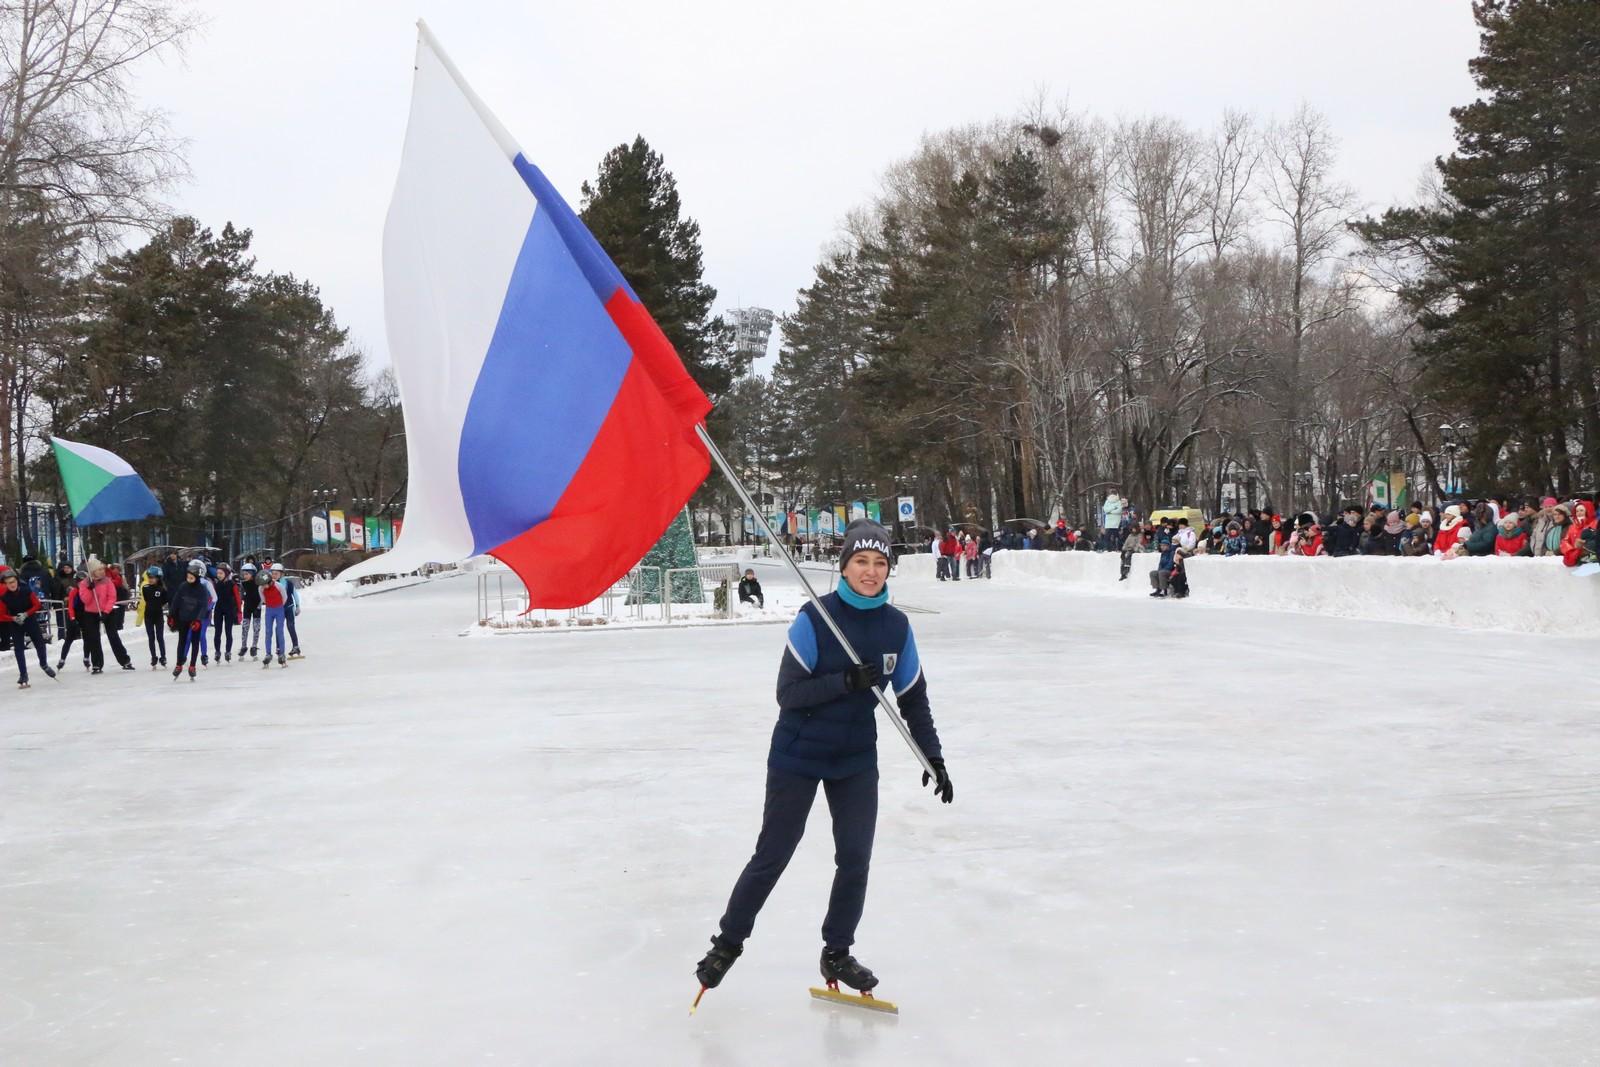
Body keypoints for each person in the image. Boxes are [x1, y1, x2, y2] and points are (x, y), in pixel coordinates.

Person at [694, 520, 950, 998]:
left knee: (855, 859)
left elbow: (913, 697)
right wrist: (845, 682)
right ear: (844, 566)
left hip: (854, 758)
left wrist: (932, 756)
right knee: (773, 855)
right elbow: (787, 694)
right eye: (861, 562)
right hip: (798, 754)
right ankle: (727, 942)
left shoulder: (896, 626)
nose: (870, 572)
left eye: (879, 563)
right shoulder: (815, 619)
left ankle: (837, 950)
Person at [75, 558, 133, 673]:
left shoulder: (107, 581)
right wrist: (90, 589)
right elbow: (85, 600)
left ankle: (125, 660)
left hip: (107, 612)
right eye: (99, 569)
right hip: (90, 613)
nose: (102, 571)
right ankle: (97, 664)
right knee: (94, 638)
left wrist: (106, 612)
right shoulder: (84, 584)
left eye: (102, 569)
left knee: (113, 636)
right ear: (92, 572)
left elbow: (112, 597)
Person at [1, 567, 56, 687]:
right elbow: (1, 615)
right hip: (16, 624)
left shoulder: (26, 590)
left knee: (40, 643)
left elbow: (37, 605)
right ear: (5, 585)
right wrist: (13, 618)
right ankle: (23, 674)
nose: (12, 585)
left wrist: (26, 614)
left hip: (30, 620)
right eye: (8, 583)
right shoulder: (4, 597)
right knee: (19, 649)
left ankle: (44, 664)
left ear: (17, 581)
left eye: (13, 582)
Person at [168, 561, 211, 681]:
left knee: (195, 642)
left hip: (194, 620)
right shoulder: (183, 586)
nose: (189, 579)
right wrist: (171, 616)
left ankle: (192, 665)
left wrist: (198, 620)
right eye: (188, 577)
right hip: (183, 618)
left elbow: (203, 606)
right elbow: (176, 601)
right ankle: (178, 664)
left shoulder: (202, 589)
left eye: (191, 577)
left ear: (197, 577)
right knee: (181, 641)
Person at [138, 566, 169, 669]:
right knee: (151, 637)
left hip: (158, 616)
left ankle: (163, 657)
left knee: (160, 637)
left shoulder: (162, 590)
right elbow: (147, 599)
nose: (151, 579)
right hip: (148, 616)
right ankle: (154, 657)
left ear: (158, 578)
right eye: (149, 577)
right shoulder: (145, 588)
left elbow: (164, 600)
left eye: (153, 577)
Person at [212, 563, 243, 661]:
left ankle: (228, 652)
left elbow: (238, 598)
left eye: (221, 573)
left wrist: (239, 611)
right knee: (217, 632)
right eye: (218, 573)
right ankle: (217, 652)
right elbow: (212, 598)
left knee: (228, 632)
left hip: (229, 610)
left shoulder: (232, 584)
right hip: (219, 610)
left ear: (226, 573)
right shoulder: (216, 584)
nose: (219, 575)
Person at [260, 568, 290, 667]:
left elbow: (284, 597)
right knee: (268, 631)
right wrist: (270, 605)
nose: (264, 586)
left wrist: (279, 606)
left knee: (279, 631)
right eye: (262, 584)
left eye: (265, 584)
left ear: (269, 581)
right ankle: (268, 654)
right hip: (269, 610)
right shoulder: (261, 588)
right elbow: (263, 599)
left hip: (279, 609)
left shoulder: (279, 586)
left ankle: (282, 654)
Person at [273, 563, 304, 657]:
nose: (274, 576)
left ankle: (296, 647)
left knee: (290, 626)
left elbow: (295, 595)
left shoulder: (288, 583)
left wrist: (298, 606)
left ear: (282, 574)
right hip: (279, 609)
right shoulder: (271, 585)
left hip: (289, 607)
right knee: (278, 628)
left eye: (276, 573)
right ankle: (279, 648)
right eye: (272, 573)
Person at [1559, 500, 1596, 567]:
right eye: (1577, 511)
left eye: (1581, 510)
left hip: (1591, 559)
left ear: (1588, 511)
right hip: (1575, 559)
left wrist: (1584, 546)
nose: (1579, 513)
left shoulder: (1595, 524)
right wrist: (1573, 551)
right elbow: (1564, 541)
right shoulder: (1572, 527)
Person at [239, 562, 263, 656]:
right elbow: (241, 594)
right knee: (245, 627)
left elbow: (262, 595)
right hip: (247, 607)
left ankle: (254, 646)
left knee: (256, 628)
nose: (245, 576)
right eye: (243, 574)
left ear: (252, 573)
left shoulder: (259, 583)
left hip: (257, 607)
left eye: (247, 574)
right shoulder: (243, 584)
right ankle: (243, 646)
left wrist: (260, 605)